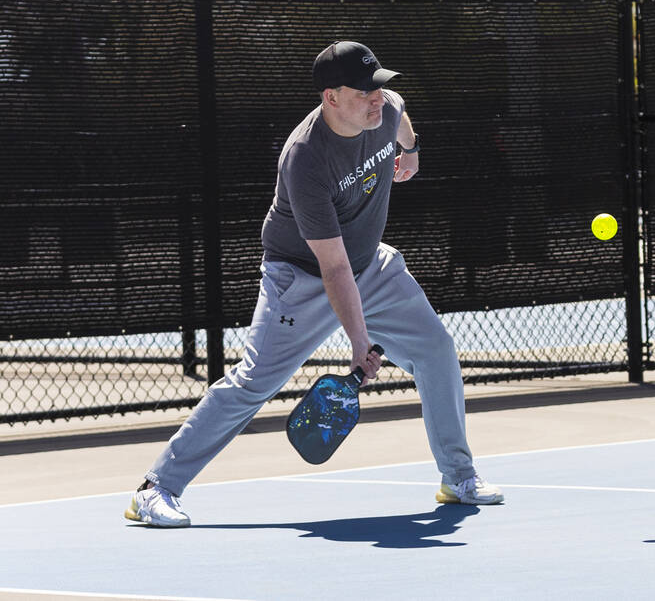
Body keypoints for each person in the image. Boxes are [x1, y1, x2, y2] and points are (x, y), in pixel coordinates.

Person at [125, 40, 504, 527]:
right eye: (364, 91)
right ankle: (156, 489)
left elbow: (400, 111)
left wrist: (410, 150)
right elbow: (333, 267)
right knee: (253, 383)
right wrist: (359, 341)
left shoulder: (383, 109)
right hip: (301, 279)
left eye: (379, 88)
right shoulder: (305, 159)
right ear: (330, 97)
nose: (377, 99)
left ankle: (458, 477)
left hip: (372, 265)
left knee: (435, 350)